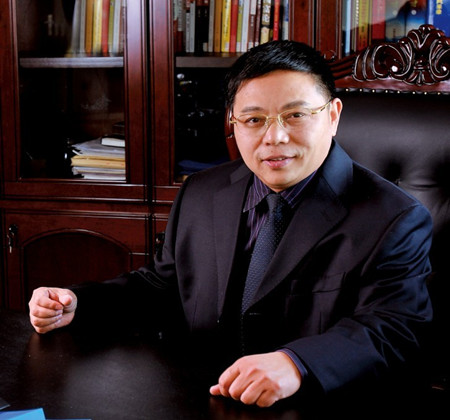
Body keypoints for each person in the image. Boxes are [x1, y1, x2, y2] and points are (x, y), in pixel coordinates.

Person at [29, 40, 433, 408]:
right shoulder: (201, 192)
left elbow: (395, 328)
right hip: (202, 398)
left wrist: (297, 363)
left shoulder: (394, 218)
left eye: (295, 115)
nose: (274, 137)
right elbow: (162, 286)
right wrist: (78, 304)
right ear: (233, 124)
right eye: (254, 120)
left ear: (333, 116)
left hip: (313, 407)